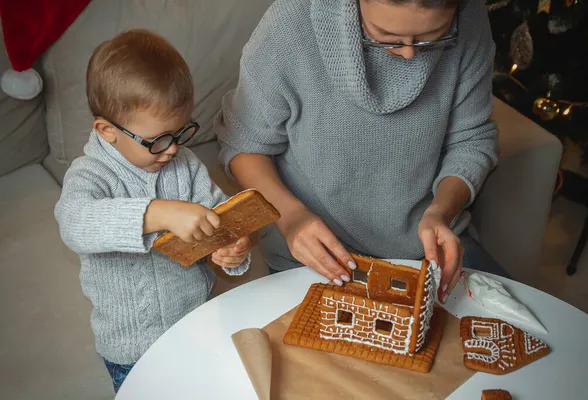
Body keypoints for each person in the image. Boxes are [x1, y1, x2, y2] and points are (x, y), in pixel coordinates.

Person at [216, 0, 508, 304]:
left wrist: (441, 212)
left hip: (430, 242)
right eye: (386, 35)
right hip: (319, 254)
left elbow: (472, 140)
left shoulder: (470, 16)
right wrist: (291, 219)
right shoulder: (290, 25)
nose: (409, 54)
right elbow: (244, 145)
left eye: (432, 36)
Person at [54, 29, 251, 393]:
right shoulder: (90, 174)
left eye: (180, 133)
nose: (173, 149)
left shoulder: (185, 165)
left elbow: (220, 217)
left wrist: (230, 250)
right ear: (107, 131)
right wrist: (158, 213)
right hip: (133, 349)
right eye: (159, 139)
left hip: (200, 322)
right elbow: (74, 223)